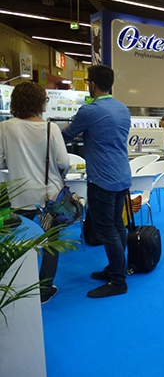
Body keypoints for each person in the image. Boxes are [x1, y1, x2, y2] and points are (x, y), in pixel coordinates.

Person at [62, 64, 132, 298]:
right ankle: (115, 268)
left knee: (106, 228)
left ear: (92, 84)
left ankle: (118, 280)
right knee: (117, 224)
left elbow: (66, 135)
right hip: (122, 174)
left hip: (102, 178)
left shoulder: (89, 110)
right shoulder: (122, 108)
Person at [0, 81, 70, 304]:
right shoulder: (51, 128)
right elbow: (64, 162)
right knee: (51, 242)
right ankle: (44, 289)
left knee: (18, 243)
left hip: (19, 197)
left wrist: (13, 161)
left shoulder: (5, 128)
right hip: (48, 198)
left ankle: (18, 287)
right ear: (40, 102)